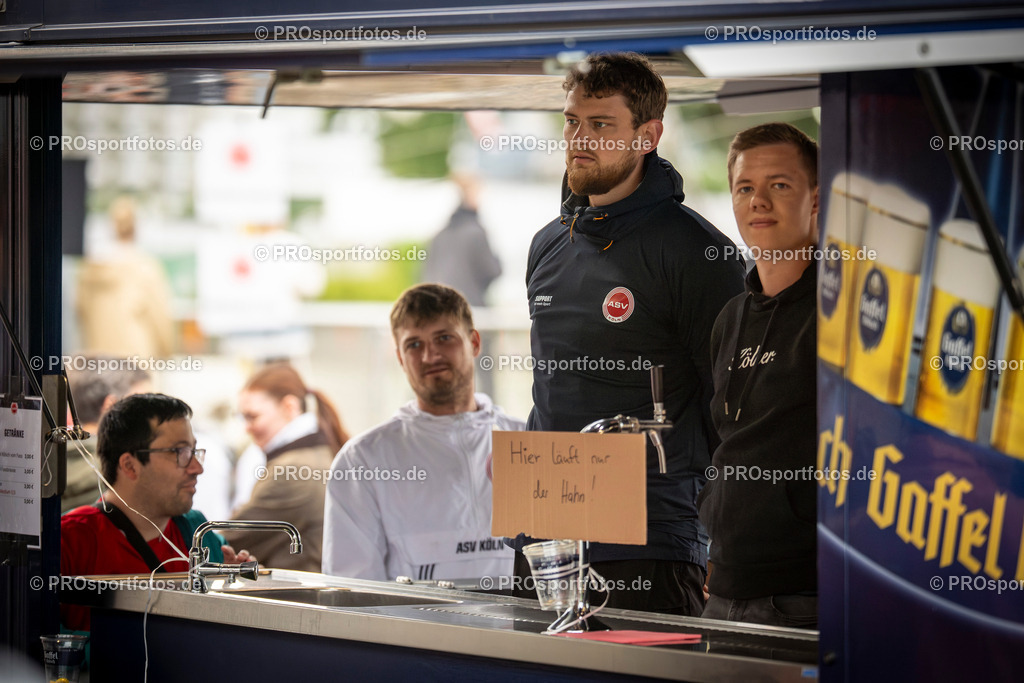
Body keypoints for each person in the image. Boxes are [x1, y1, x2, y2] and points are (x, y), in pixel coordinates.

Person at [513, 52, 745, 615]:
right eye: (571, 122)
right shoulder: (548, 244)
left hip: (650, 538)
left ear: (648, 135)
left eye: (600, 125)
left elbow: (733, 408)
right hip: (543, 532)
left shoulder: (697, 252)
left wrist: (726, 537)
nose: (579, 138)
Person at [697, 122, 819, 628]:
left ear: (817, 200)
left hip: (803, 593)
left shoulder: (843, 311)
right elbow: (727, 439)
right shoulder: (731, 317)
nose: (758, 202)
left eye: (780, 185)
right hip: (725, 587)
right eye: (745, 188)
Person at [323, 284, 525, 581]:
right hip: (415, 628)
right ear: (400, 358)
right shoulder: (362, 461)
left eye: (444, 338)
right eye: (414, 345)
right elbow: (352, 590)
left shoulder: (529, 443)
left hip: (522, 628)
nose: (430, 356)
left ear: (475, 342)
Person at [60, 393, 250, 630]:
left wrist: (238, 586)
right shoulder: (71, 540)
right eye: (180, 453)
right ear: (130, 465)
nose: (197, 468)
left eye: (194, 451)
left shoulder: (197, 532)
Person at [223, 364, 348, 571]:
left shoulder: (292, 471)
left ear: (289, 407)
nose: (246, 427)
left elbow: (227, 542)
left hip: (295, 597)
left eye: (252, 416)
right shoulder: (320, 452)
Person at [76, 196, 175, 358]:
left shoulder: (89, 272)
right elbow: (160, 319)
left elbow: (80, 313)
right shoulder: (145, 268)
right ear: (136, 226)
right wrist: (167, 352)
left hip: (99, 359)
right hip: (135, 361)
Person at [62, 358, 152, 513]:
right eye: (142, 406)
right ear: (112, 406)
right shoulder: (123, 473)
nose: (151, 418)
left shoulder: (49, 458)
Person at [421, 173, 502, 307]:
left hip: (438, 310)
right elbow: (493, 270)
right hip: (468, 310)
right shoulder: (476, 233)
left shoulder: (439, 236)